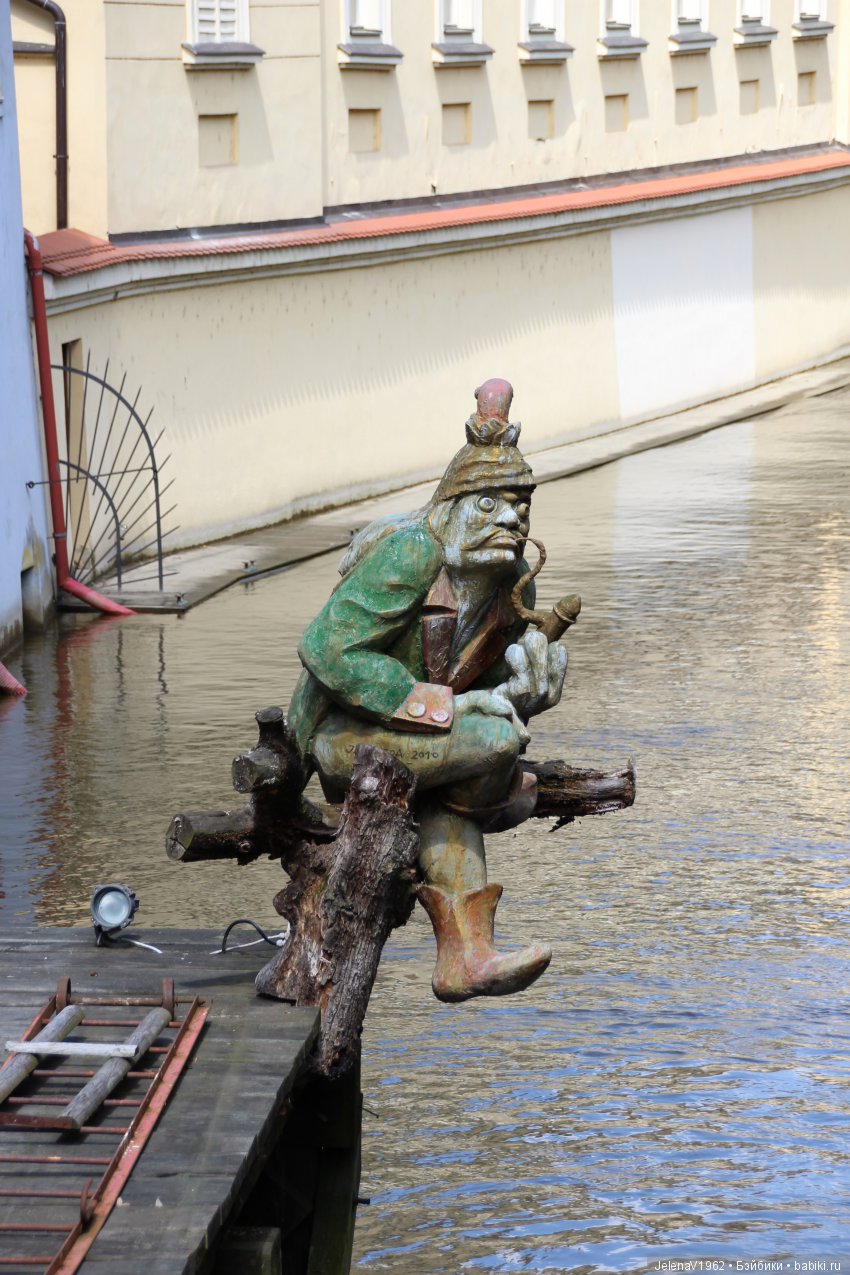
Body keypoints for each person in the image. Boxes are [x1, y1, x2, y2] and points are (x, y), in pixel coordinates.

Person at [287, 379, 568, 1001]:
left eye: (522, 507)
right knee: (493, 743)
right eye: (494, 505)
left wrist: (527, 687)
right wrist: (444, 704)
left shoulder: (511, 580)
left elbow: (485, 685)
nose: (513, 520)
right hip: (346, 740)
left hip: (418, 745)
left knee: (482, 749)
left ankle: (467, 959)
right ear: (453, 507)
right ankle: (488, 806)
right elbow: (327, 649)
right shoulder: (415, 552)